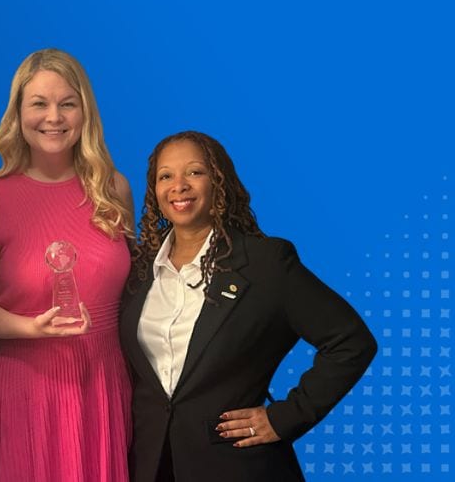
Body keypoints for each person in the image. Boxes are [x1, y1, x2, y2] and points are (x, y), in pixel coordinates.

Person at [120, 131, 377, 481]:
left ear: (219, 182)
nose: (179, 186)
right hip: (149, 465)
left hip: (237, 467)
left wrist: (285, 418)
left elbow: (351, 341)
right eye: (166, 176)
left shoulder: (265, 264)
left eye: (195, 172)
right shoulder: (138, 270)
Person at [0, 48, 134, 481]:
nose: (54, 117)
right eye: (39, 104)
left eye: (67, 103)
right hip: (20, 390)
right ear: (18, 113)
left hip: (102, 385)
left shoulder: (114, 190)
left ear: (86, 112)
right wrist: (33, 328)